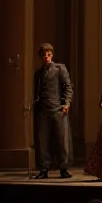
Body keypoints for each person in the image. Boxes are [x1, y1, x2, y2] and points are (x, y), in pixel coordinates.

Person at [32, 43, 73, 179]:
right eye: (43, 55)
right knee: (41, 141)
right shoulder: (38, 73)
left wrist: (66, 103)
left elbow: (68, 86)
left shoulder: (59, 69)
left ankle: (63, 168)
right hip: (42, 110)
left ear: (52, 55)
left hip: (57, 109)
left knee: (61, 140)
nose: (46, 57)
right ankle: (43, 169)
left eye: (48, 54)